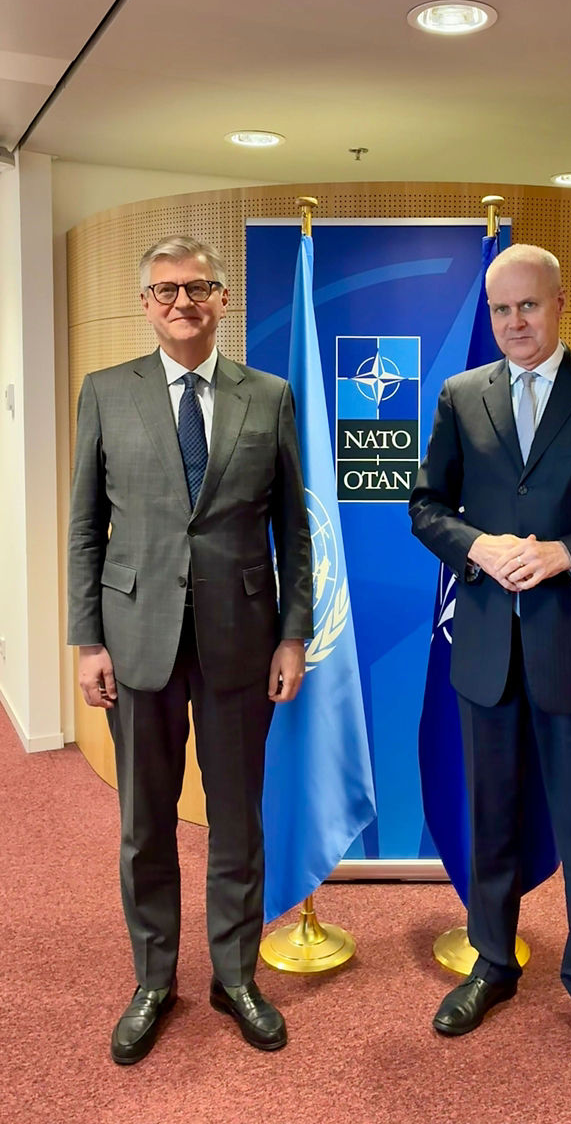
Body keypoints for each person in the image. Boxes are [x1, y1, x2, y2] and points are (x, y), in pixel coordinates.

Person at [409, 244, 571, 1077]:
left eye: (528, 305)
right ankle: (492, 963)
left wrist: (566, 553)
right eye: (501, 309)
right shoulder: (461, 395)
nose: (514, 322)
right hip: (485, 648)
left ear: (560, 303)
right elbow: (426, 507)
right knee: (490, 819)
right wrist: (477, 546)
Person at [68, 236, 313, 1065]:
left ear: (222, 299)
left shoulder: (268, 396)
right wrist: (87, 641)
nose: (183, 302)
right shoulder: (106, 392)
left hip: (242, 641)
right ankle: (154, 980)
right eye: (166, 290)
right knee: (145, 822)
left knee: (238, 819)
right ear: (145, 303)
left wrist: (293, 633)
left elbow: (294, 531)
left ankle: (236, 977)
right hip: (135, 639)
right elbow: (85, 531)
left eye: (199, 288)